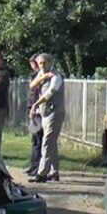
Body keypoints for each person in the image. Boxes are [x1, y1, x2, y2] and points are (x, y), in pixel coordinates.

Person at [28, 53, 65, 182]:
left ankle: (42, 173)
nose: (42, 65)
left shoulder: (56, 76)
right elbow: (32, 85)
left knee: (47, 142)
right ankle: (54, 172)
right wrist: (43, 76)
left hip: (55, 111)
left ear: (49, 62)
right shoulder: (42, 74)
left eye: (44, 63)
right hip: (44, 112)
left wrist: (36, 104)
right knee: (51, 142)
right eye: (40, 63)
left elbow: (49, 93)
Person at [25, 54, 44, 178]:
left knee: (38, 139)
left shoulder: (42, 77)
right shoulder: (34, 76)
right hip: (32, 109)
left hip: (38, 110)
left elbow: (38, 93)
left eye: (34, 63)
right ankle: (33, 165)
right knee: (34, 139)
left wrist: (34, 107)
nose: (32, 66)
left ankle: (37, 166)